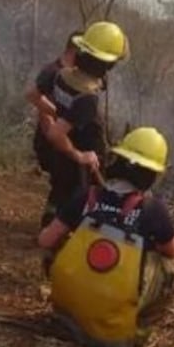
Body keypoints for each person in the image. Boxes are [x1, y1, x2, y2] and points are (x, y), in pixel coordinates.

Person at [39, 126, 174, 347]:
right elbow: (173, 252)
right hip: (112, 336)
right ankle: (138, 331)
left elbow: (45, 240)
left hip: (66, 316)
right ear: (152, 174)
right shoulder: (152, 209)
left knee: (59, 240)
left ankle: (69, 307)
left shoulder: (87, 195)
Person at [34, 21, 128, 227]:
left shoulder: (61, 75)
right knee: (77, 201)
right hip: (75, 158)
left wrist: (58, 115)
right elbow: (56, 134)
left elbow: (36, 97)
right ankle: (60, 239)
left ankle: (49, 225)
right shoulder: (87, 98)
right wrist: (81, 156)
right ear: (107, 65)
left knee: (59, 191)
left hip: (59, 154)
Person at [26, 30, 81, 222]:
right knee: (64, 179)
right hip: (51, 141)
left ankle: (60, 221)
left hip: (61, 139)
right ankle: (52, 223)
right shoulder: (54, 72)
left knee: (70, 182)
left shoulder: (74, 76)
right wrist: (56, 118)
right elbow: (35, 98)